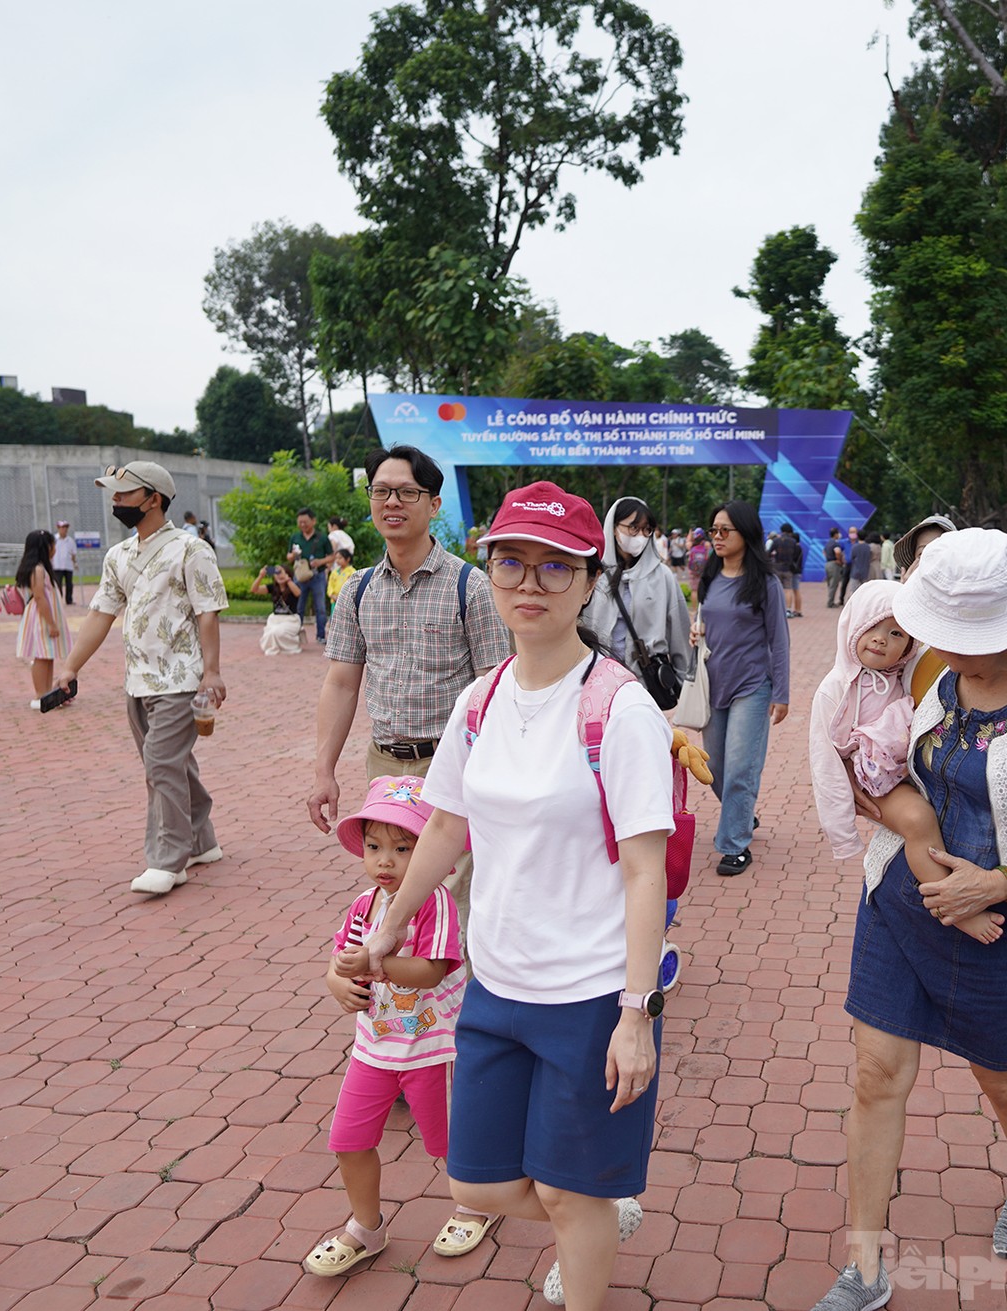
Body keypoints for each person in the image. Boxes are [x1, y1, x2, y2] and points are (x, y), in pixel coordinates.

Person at [346, 481, 673, 1311]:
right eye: (512, 562)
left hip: (590, 992)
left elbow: (645, 870)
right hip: (495, 984)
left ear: (588, 581)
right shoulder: (481, 697)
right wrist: (389, 926)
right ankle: (597, 1213)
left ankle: (587, 1234)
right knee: (477, 1182)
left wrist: (637, 1012)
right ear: (490, 572)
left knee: (567, 1191)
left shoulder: (618, 708)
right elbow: (448, 828)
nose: (530, 583)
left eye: (555, 567)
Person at [808, 529, 1007, 1311]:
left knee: (1002, 1080)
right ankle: (867, 1264)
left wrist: (1002, 882)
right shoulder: (927, 672)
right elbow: (882, 762)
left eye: (970, 638)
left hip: (997, 928)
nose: (950, 651)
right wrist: (894, 816)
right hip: (899, 903)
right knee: (877, 1074)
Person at [308, 445, 509, 939]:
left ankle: (456, 1009)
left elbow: (494, 687)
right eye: (381, 491)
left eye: (406, 492)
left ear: (433, 504)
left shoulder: (471, 587)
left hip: (450, 764)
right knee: (392, 886)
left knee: (452, 893)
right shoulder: (356, 590)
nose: (391, 502)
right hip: (385, 767)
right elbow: (341, 681)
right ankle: (407, 1011)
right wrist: (323, 772)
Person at [305, 775, 492, 1277]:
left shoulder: (436, 904)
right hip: (374, 1049)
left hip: (433, 1050)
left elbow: (433, 970)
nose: (384, 861)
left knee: (451, 1142)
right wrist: (336, 982)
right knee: (349, 1139)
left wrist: (375, 963)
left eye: (402, 848)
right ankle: (367, 1228)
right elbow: (339, 959)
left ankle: (477, 1203)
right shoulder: (364, 907)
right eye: (374, 846)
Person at [54, 462, 229, 895]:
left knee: (161, 764)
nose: (116, 500)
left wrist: (212, 672)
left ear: (154, 498)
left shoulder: (191, 550)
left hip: (181, 678)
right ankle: (203, 840)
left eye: (124, 493)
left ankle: (169, 860)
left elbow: (208, 613)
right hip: (138, 681)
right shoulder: (119, 556)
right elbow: (100, 614)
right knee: (170, 763)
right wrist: (71, 664)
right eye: (113, 493)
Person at [808, 580, 1003, 945]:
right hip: (876, 776)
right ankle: (951, 904)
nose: (881, 639)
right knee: (918, 820)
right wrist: (842, 832)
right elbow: (823, 762)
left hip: (908, 770)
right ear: (853, 625)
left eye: (895, 632)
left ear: (910, 644)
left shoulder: (906, 675)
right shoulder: (834, 688)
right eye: (872, 627)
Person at [692, 502, 790, 877]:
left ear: (745, 535)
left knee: (739, 769)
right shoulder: (710, 579)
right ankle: (743, 814)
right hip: (713, 683)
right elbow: (704, 621)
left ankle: (734, 846)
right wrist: (695, 634)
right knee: (714, 768)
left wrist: (781, 693)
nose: (715, 537)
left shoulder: (765, 584)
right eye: (713, 530)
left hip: (752, 685)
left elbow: (778, 641)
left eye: (724, 531)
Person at [582, 497, 692, 696]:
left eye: (646, 529)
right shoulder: (594, 575)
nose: (640, 536)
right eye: (633, 528)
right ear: (613, 528)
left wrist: (685, 684)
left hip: (645, 684)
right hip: (598, 680)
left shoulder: (662, 576)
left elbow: (679, 633)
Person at [15, 529, 72, 700]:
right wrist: (52, 624)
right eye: (52, 544)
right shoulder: (38, 570)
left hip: (44, 617)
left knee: (48, 655)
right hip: (42, 619)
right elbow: (39, 597)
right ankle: (40, 694)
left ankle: (47, 693)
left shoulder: (40, 568)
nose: (54, 548)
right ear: (45, 547)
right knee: (41, 655)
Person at [290, 508, 335, 643]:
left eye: (305, 522)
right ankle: (296, 634)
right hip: (300, 576)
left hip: (318, 576)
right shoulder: (295, 537)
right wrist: (293, 555)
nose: (302, 525)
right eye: (300, 522)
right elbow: (288, 556)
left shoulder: (322, 538)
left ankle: (320, 636)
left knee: (320, 607)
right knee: (298, 606)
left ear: (313, 521)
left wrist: (320, 562)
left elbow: (332, 556)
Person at [251, 562, 304, 656]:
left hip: (290, 620)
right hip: (275, 619)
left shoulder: (292, 586)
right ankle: (275, 647)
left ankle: (292, 643)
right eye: (276, 573)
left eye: (281, 572)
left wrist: (288, 580)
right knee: (270, 633)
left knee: (278, 632)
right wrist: (261, 576)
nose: (279, 575)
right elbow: (254, 590)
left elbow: (298, 593)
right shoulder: (272, 587)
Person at [892, 513, 956, 581]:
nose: (931, 560)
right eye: (922, 554)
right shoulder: (905, 588)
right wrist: (907, 589)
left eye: (939, 552)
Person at [769, 522, 805, 618]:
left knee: (777, 589)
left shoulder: (776, 541)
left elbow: (768, 553)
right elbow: (795, 555)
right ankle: (788, 610)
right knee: (788, 589)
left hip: (776, 568)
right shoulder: (793, 542)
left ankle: (776, 608)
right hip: (788, 569)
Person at [50, 521, 77, 604]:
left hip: (68, 565)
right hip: (57, 565)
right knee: (58, 584)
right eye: (62, 527)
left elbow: (73, 553)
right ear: (58, 528)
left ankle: (69, 600)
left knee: (69, 584)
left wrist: (75, 563)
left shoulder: (70, 541)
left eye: (66, 527)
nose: (64, 529)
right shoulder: (54, 539)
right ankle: (58, 600)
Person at [847, 528, 874, 601]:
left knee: (854, 591)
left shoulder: (855, 547)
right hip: (865, 571)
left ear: (857, 536)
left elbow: (851, 558)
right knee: (864, 591)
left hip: (855, 571)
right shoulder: (868, 547)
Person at [824, 527, 846, 607]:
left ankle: (830, 600)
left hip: (827, 563)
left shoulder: (828, 543)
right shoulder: (835, 543)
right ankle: (830, 602)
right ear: (836, 534)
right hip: (834, 565)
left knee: (830, 584)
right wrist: (839, 561)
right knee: (834, 584)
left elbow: (824, 551)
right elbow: (838, 552)